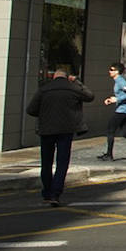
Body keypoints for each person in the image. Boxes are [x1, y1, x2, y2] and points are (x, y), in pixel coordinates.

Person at [25, 66, 94, 206]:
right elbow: (89, 96)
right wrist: (78, 82)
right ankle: (56, 194)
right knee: (62, 163)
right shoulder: (72, 88)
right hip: (65, 130)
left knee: (46, 163)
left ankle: (47, 193)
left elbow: (31, 109)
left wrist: (45, 113)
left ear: (53, 76)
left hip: (46, 130)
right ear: (67, 77)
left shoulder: (44, 89)